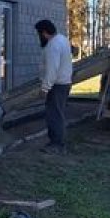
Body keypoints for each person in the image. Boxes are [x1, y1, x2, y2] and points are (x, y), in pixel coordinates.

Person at [35, 19, 73, 154]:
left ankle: (57, 145)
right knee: (57, 113)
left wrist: (45, 88)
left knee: (54, 115)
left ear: (44, 32)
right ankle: (56, 142)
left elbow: (52, 69)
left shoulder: (53, 46)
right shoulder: (62, 39)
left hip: (57, 86)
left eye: (39, 34)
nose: (39, 37)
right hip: (63, 83)